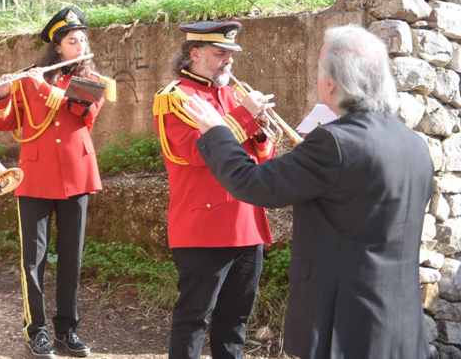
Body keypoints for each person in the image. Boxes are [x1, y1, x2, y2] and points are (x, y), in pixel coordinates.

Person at [185, 24, 434, 359]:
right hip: (402, 327)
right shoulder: (413, 143)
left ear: (331, 83)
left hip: (346, 327)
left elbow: (253, 184)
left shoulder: (334, 142)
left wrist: (217, 131)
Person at [0, 6, 112, 357]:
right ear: (58, 47)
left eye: (82, 39)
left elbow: (79, 112)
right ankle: (37, 329)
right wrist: (1, 94)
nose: (80, 44)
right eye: (73, 40)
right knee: (33, 259)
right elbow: (4, 122)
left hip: (77, 176)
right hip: (34, 176)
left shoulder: (93, 80)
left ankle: (67, 330)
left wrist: (39, 87)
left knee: (71, 258)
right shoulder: (32, 76)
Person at [151, 20, 275, 359]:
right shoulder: (175, 98)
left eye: (231, 54)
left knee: (235, 321)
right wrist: (246, 117)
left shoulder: (236, 94)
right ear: (194, 53)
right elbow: (191, 152)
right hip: (204, 225)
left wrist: (262, 132)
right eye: (220, 53)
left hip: (246, 221)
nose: (228, 61)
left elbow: (261, 158)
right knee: (194, 319)